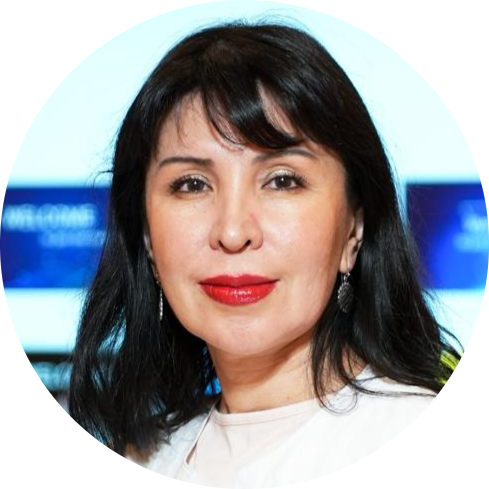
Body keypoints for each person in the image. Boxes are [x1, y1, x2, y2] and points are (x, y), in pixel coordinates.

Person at [68, 19, 463, 486]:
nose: (233, 231)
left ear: (353, 229)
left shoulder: (399, 422)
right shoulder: (144, 453)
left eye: (282, 180)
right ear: (148, 237)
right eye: (192, 184)